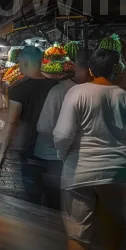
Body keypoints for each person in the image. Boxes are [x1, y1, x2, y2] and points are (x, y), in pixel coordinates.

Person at [54, 49, 126, 250]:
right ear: (116, 71)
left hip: (79, 173)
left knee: (78, 233)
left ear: (91, 70)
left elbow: (62, 135)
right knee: (111, 222)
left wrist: (64, 157)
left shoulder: (77, 92)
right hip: (116, 173)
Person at [0, 46, 58, 205]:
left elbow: (12, 122)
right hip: (56, 151)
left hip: (31, 150)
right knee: (55, 203)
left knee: (33, 202)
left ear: (26, 62)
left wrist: (2, 153)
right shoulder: (56, 84)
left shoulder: (19, 88)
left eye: (20, 62)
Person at [34, 50, 91, 210]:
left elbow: (43, 127)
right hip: (62, 157)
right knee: (64, 202)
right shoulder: (83, 91)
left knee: (59, 203)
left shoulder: (59, 91)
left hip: (56, 155)